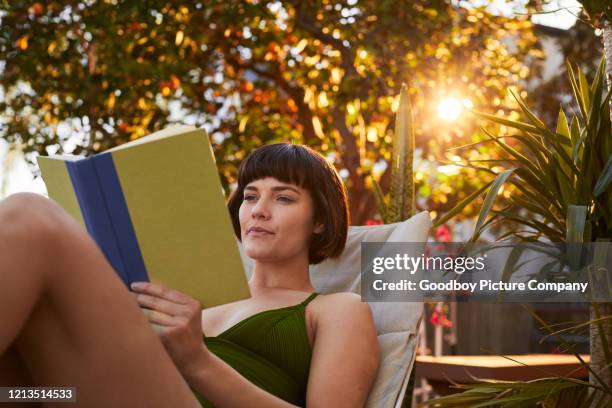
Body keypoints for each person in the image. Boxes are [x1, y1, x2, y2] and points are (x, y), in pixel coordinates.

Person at [0, 142, 380, 407]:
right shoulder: (194, 296)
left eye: (283, 198)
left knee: (32, 216)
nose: (259, 210)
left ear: (320, 220)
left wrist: (196, 359)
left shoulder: (338, 309)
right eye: (250, 196)